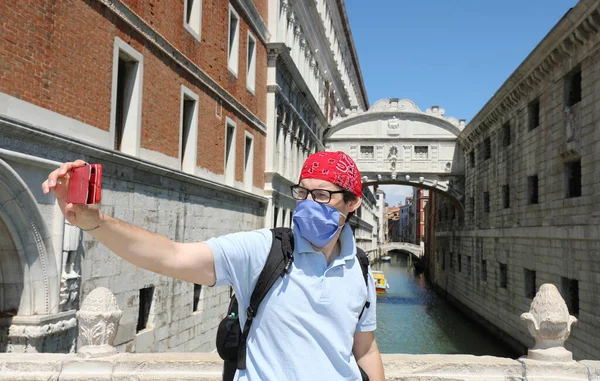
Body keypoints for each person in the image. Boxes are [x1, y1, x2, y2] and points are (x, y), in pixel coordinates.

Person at [42, 151, 385, 381]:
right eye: (303, 192)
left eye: (322, 196)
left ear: (352, 202)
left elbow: (365, 348)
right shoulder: (264, 248)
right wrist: (94, 221)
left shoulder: (360, 268)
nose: (309, 204)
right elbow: (173, 256)